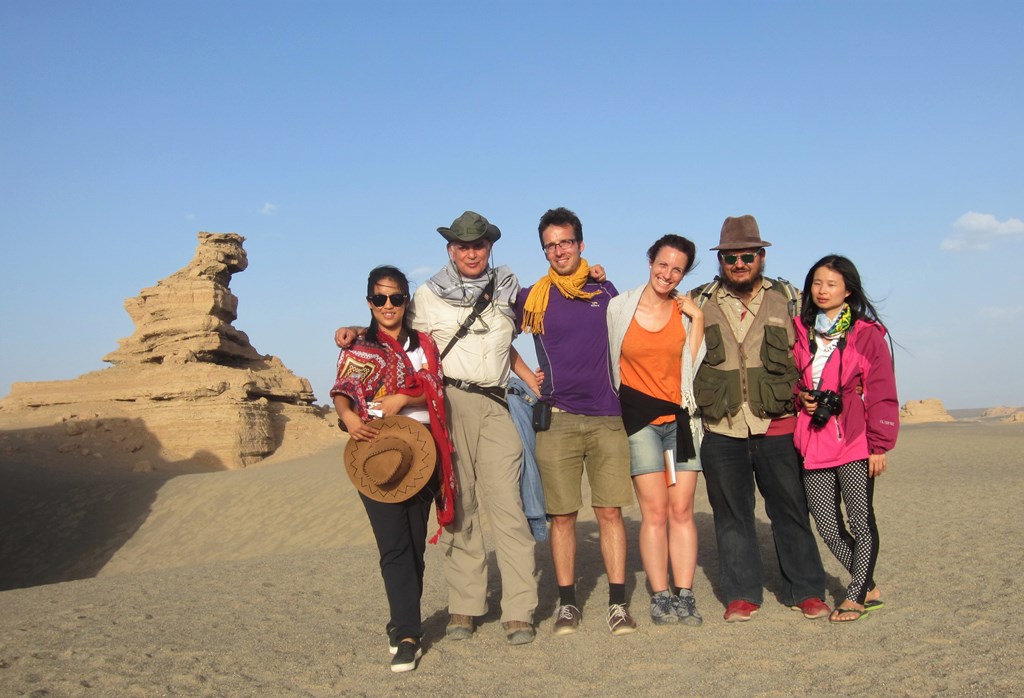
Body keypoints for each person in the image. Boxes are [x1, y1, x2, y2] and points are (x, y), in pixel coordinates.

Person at [336, 211, 539, 646]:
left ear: (490, 248)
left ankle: (519, 609)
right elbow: (397, 327)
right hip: (449, 403)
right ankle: (466, 606)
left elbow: (511, 337)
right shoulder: (427, 295)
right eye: (462, 245)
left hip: (497, 403)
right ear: (450, 250)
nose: (471, 252)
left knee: (508, 506)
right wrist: (356, 329)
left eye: (479, 244)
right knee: (459, 504)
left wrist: (530, 376)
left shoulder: (507, 288)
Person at [689, 215, 830, 622]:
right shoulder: (698, 302)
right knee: (732, 516)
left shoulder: (790, 298)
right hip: (721, 426)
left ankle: (806, 590)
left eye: (747, 255)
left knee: (790, 510)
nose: (739, 263)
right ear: (721, 260)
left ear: (761, 256)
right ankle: (741, 594)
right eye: (731, 257)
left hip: (778, 424)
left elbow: (818, 350)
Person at [515, 207, 637, 636]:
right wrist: (529, 376)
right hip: (559, 420)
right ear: (544, 250)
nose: (558, 250)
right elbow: (495, 336)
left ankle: (618, 604)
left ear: (580, 245)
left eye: (565, 241)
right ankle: (568, 605)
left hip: (608, 418)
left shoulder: (605, 290)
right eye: (550, 244)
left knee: (609, 513)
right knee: (562, 517)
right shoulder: (533, 297)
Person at [330, 265, 456, 672]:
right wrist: (348, 418)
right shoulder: (360, 347)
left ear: (407, 301)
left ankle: (402, 622)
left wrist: (405, 396)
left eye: (397, 298)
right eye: (380, 298)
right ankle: (407, 634)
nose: (388, 306)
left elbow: (437, 385)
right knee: (394, 546)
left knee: (415, 546)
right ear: (370, 302)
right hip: (375, 455)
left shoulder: (424, 344)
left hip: (421, 453)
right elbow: (345, 390)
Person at [792, 255, 898, 623]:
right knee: (827, 526)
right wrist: (799, 396)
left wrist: (880, 444)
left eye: (831, 284)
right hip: (813, 440)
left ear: (847, 290)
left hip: (854, 440)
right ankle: (868, 584)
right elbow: (789, 378)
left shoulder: (865, 334)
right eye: (817, 283)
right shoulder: (800, 330)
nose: (822, 291)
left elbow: (882, 391)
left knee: (860, 520)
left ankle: (855, 597)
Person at [607, 234, 706, 626]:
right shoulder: (619, 307)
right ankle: (660, 594)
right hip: (640, 423)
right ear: (650, 261)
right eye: (663, 264)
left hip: (680, 422)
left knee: (682, 510)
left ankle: (685, 594)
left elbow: (693, 363)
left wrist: (697, 317)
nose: (668, 274)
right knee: (655, 512)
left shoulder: (686, 312)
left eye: (677, 269)